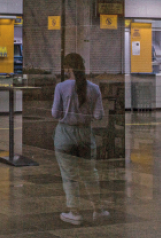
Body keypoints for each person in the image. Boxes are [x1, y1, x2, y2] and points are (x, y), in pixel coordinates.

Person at [52, 53, 109, 225]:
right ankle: (98, 209)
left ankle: (74, 212)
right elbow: (99, 115)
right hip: (85, 134)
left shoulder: (61, 87)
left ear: (68, 68)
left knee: (69, 174)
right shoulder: (94, 88)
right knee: (90, 173)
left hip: (65, 134)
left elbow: (55, 113)